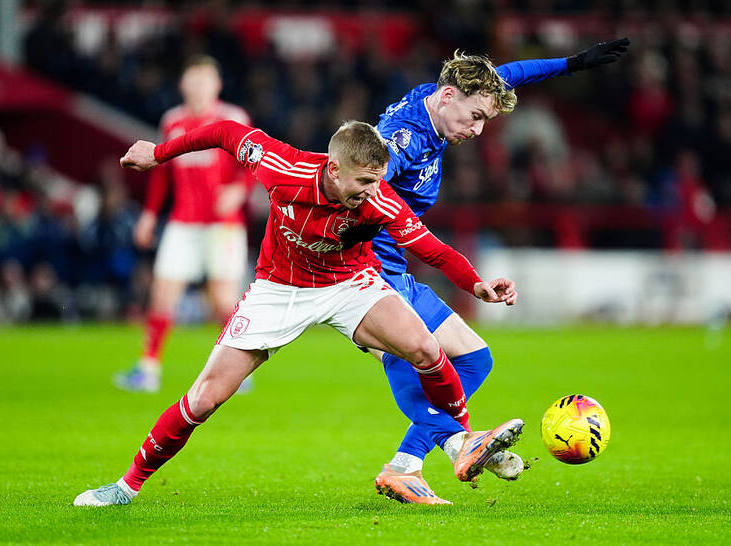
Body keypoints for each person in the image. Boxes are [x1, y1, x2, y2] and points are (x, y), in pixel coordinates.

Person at [74, 119, 522, 507]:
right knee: (204, 399)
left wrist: (477, 284)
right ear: (332, 168)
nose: (373, 192)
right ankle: (125, 486)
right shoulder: (281, 167)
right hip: (277, 291)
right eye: (363, 182)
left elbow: (433, 249)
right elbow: (227, 133)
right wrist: (159, 152)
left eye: (378, 181)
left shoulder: (380, 200)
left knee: (426, 348)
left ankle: (461, 442)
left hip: (350, 283)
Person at [371, 39, 630, 503]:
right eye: (476, 118)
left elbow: (512, 73)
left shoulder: (445, 101)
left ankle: (408, 464)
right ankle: (453, 446)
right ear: (449, 96)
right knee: (418, 360)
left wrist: (572, 63)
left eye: (485, 120)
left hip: (392, 270)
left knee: (473, 359)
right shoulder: (402, 139)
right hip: (366, 271)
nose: (478, 129)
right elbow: (362, 188)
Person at [115, 55, 255, 393]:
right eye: (192, 81)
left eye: (205, 81)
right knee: (162, 294)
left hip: (223, 224)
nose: (198, 88)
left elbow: (253, 161)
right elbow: (161, 173)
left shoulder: (233, 118)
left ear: (217, 86)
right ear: (183, 85)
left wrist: (238, 190)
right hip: (183, 221)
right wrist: (149, 214)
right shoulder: (173, 121)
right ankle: (148, 368)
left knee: (222, 300)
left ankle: (240, 370)